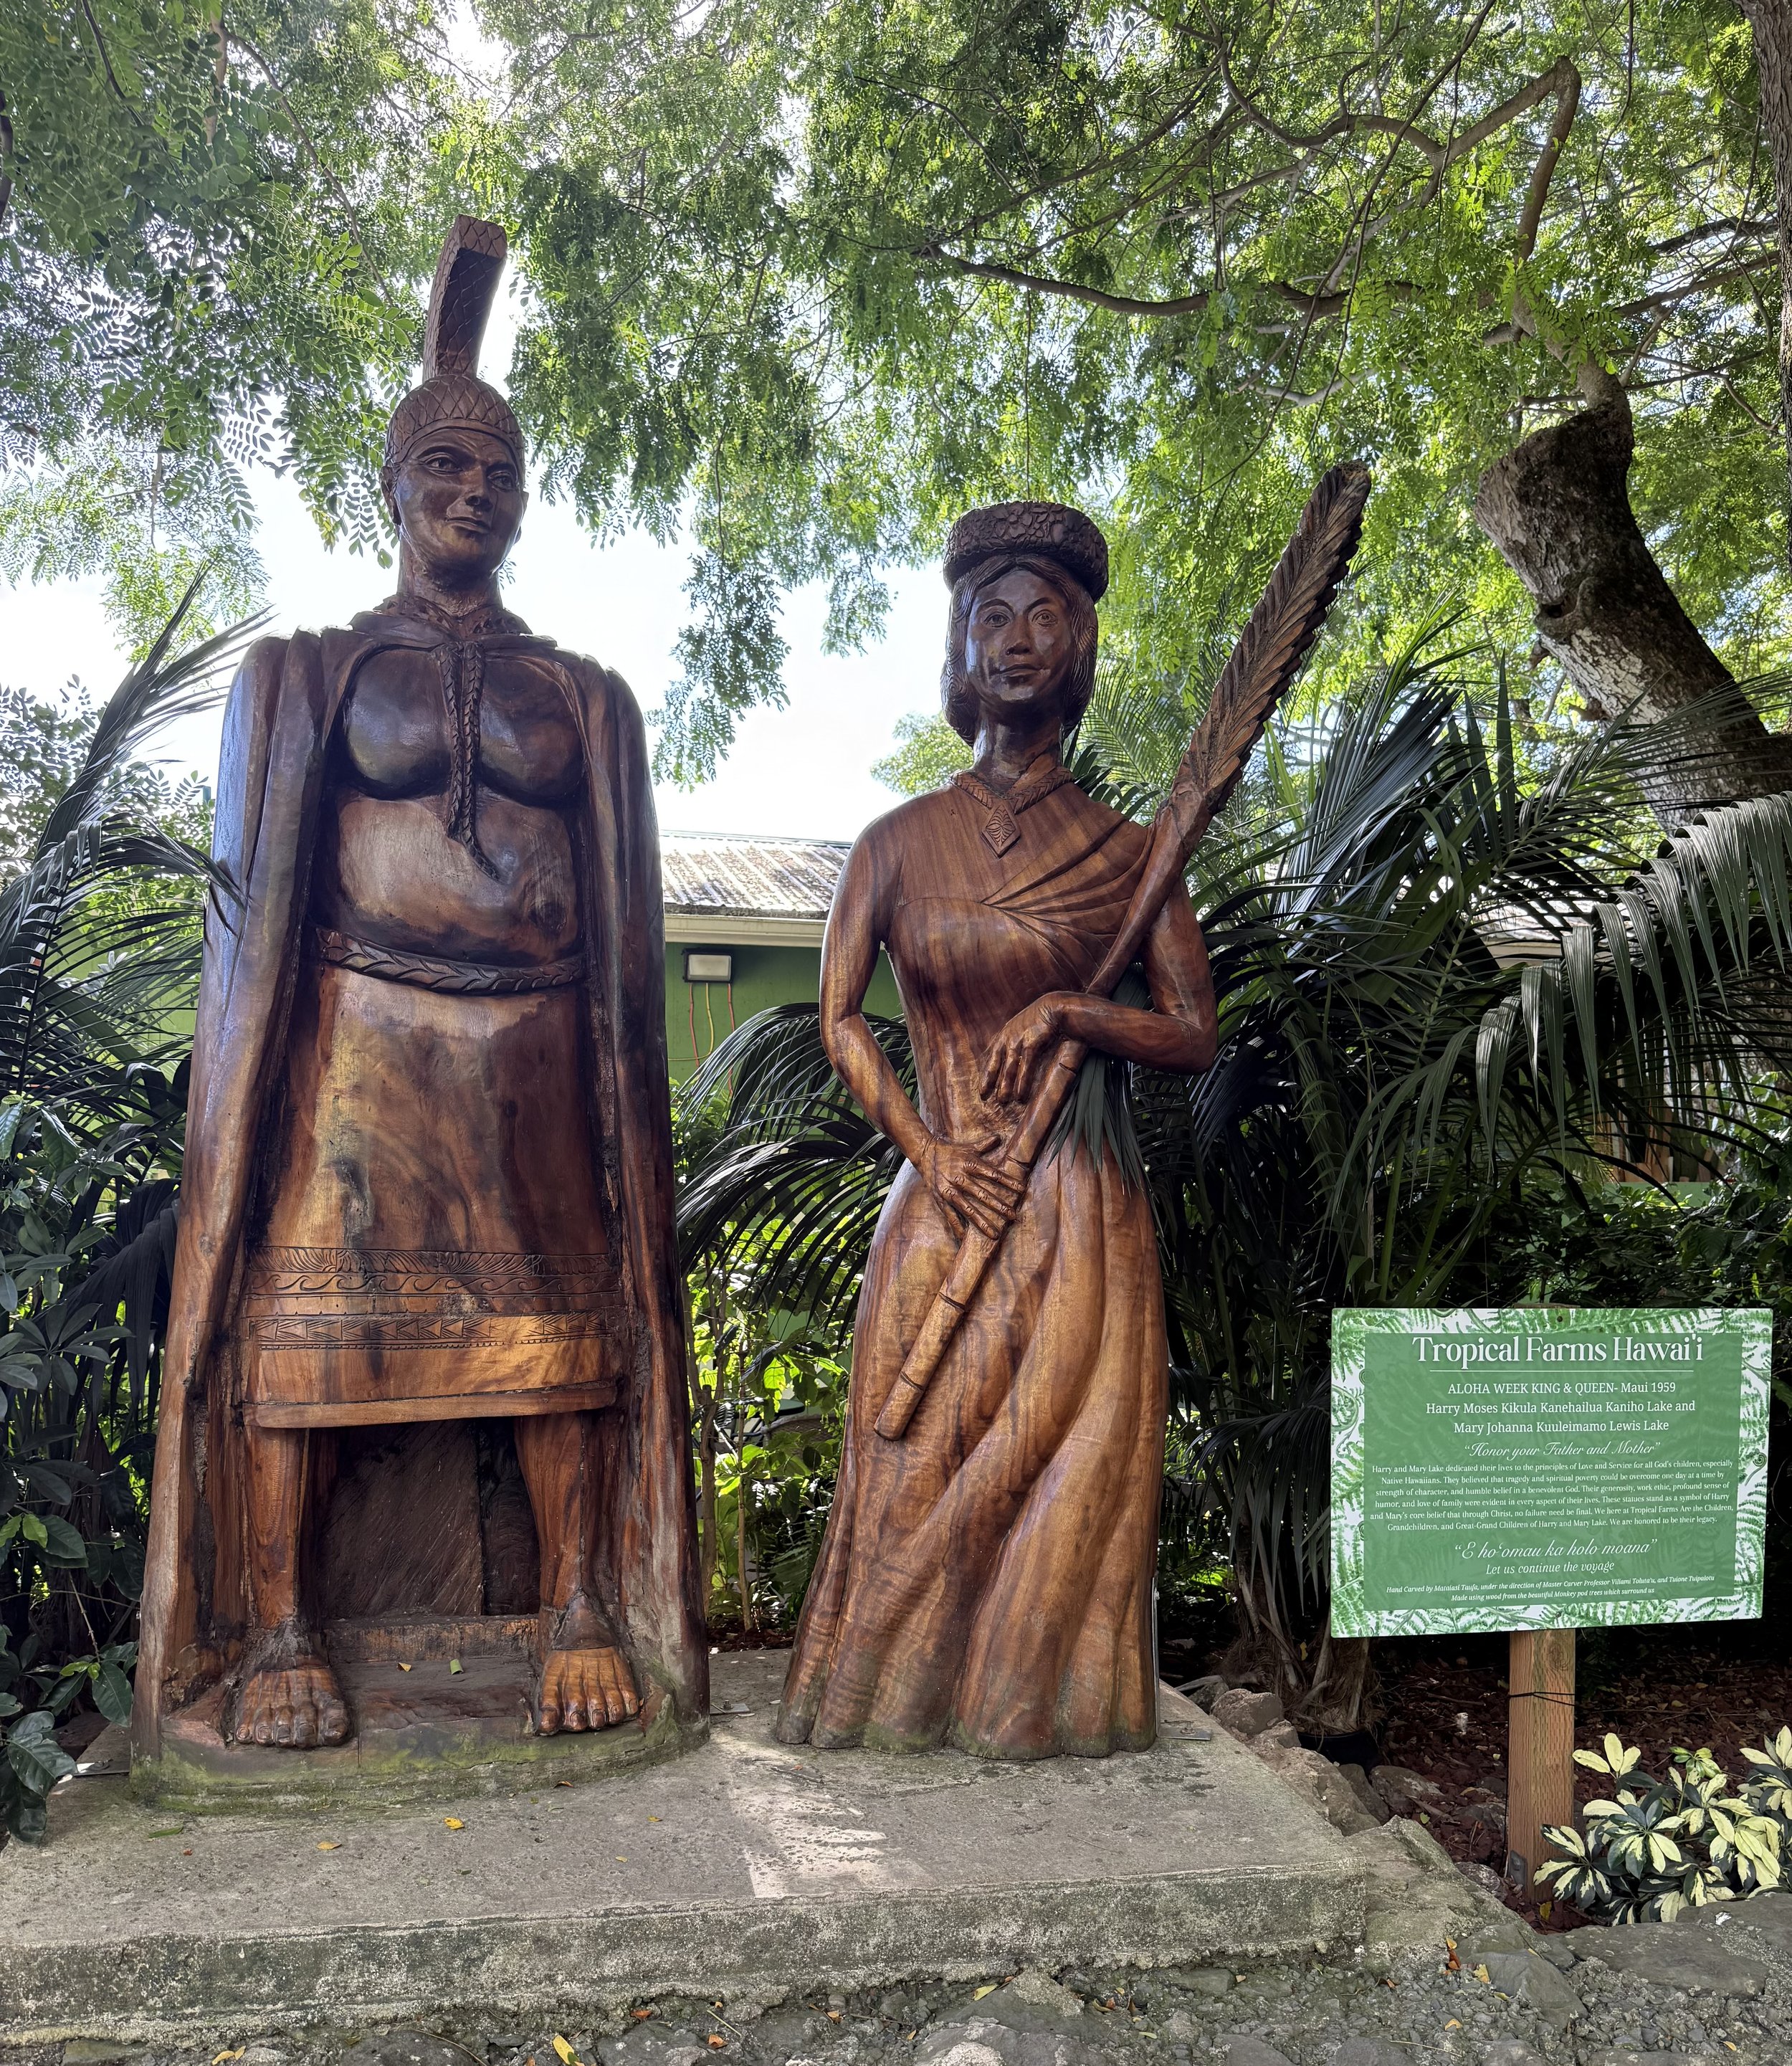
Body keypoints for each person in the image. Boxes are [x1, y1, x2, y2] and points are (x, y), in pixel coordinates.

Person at [133, 219, 704, 1763]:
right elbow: (257, 914)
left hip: (530, 1053)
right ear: (390, 489)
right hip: (353, 1051)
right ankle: (277, 1628)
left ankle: (580, 1607)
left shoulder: (581, 694)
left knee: (562, 1343)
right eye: (444, 469)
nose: (472, 493)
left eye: (497, 473)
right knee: (301, 1341)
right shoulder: (310, 671)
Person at [776, 501, 1219, 1759]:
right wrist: (931, 1152)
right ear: (962, 648)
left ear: (1079, 647)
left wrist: (1081, 1006)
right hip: (947, 1199)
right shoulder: (895, 843)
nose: (1019, 639)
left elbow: (1194, 1028)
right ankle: (889, 1707)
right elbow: (840, 1020)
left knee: (1062, 1491)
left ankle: (1041, 1709)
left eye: (1047, 617)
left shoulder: (1136, 855)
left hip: (1084, 1213)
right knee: (913, 1473)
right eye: (993, 616)